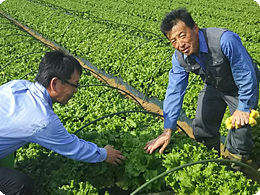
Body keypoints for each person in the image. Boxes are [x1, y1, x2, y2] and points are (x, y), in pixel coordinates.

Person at [144, 8, 260, 164]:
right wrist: (167, 130)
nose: (180, 44)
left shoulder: (224, 40)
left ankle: (237, 168)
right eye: (173, 41)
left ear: (195, 28)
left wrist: (244, 107)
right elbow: (174, 90)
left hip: (238, 88)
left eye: (182, 35)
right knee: (202, 124)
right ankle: (210, 162)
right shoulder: (179, 58)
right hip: (214, 86)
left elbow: (245, 74)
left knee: (240, 130)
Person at [0, 50, 125, 194]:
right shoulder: (42, 119)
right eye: (75, 84)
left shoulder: (18, 85)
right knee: (20, 185)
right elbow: (73, 147)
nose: (76, 91)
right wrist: (104, 154)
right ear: (55, 83)